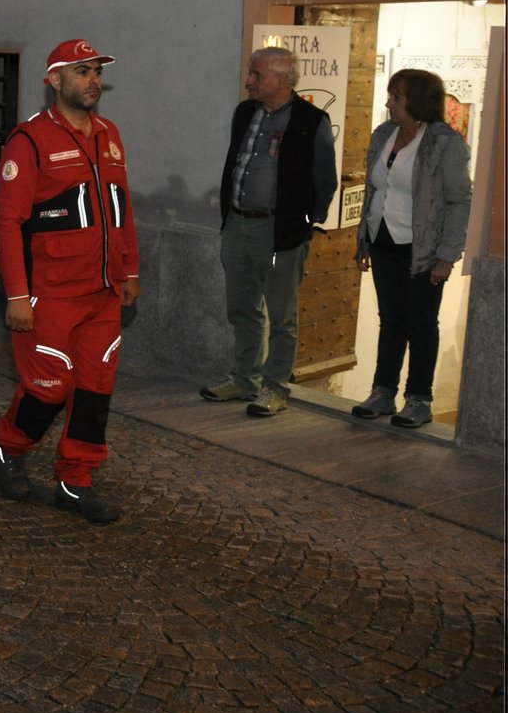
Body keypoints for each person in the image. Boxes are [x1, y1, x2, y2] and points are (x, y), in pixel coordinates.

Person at [0, 39, 140, 524]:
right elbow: (7, 222)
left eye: (96, 71)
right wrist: (16, 294)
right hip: (48, 292)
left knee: (96, 385)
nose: (92, 79)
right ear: (55, 81)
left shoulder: (110, 134)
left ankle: (76, 481)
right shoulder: (28, 140)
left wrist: (131, 269)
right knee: (50, 386)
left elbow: (122, 209)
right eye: (81, 71)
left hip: (103, 292)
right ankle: (9, 446)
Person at [201, 46, 337, 418]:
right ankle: (245, 378)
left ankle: (275, 387)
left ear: (281, 79)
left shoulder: (311, 120)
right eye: (251, 73)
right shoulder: (245, 112)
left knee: (282, 316)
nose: (249, 81)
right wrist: (229, 215)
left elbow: (325, 181)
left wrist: (303, 224)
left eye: (256, 75)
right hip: (238, 224)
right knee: (242, 307)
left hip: (279, 233)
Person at [351, 69, 471, 428]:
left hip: (423, 249)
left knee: (420, 323)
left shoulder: (443, 142)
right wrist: (364, 241)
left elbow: (458, 201)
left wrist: (447, 255)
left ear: (416, 101)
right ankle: (383, 391)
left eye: (395, 97)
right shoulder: (384, 135)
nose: (388, 103)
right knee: (391, 320)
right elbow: (374, 191)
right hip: (384, 241)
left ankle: (419, 398)